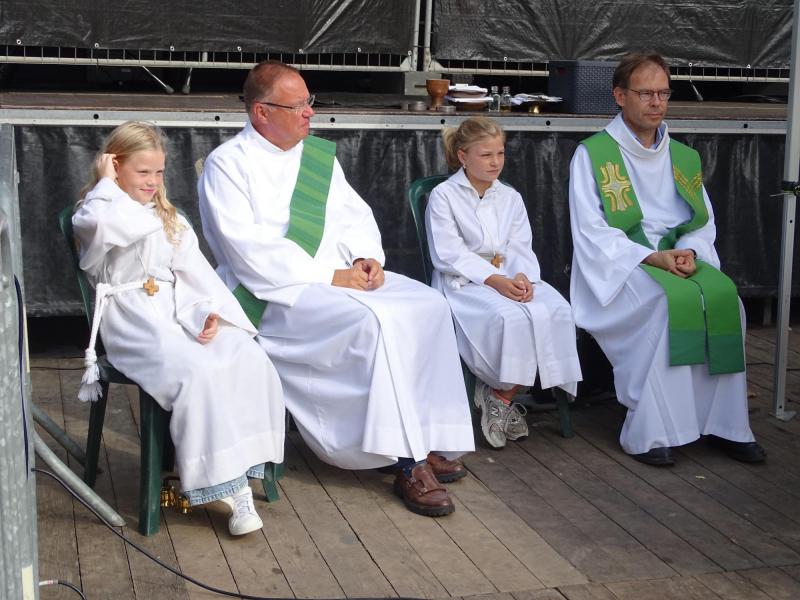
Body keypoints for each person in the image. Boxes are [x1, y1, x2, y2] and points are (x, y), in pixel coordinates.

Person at [198, 61, 474, 517]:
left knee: (429, 305)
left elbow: (353, 216)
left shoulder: (317, 156)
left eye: (311, 101)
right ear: (262, 112)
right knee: (376, 321)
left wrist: (366, 260)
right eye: (300, 105)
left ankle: (427, 436)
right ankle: (405, 460)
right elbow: (247, 251)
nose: (311, 113)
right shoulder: (228, 165)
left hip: (335, 278)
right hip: (274, 295)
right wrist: (331, 277)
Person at [73, 121, 286, 536]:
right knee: (197, 372)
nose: (153, 182)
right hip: (133, 322)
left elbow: (194, 275)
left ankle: (242, 469)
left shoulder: (168, 217)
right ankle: (225, 487)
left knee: (247, 356)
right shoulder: (95, 210)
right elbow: (104, 226)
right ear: (114, 167)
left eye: (159, 172)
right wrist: (106, 184)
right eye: (142, 172)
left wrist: (206, 313)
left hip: (175, 312)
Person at [568, 51, 766, 466]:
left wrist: (691, 251)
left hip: (678, 257)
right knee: (666, 307)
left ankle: (726, 425)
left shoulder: (683, 156)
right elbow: (592, 231)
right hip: (625, 266)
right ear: (620, 96)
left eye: (663, 93)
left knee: (726, 299)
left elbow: (700, 219)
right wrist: (652, 257)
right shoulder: (594, 155)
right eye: (646, 93)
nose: (657, 102)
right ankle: (652, 431)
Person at [426, 117, 582, 448]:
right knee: (508, 318)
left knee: (555, 309)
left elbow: (519, 245)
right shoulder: (444, 196)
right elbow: (449, 253)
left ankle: (500, 396)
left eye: (500, 153)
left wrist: (523, 277)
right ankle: (499, 392)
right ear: (463, 156)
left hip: (509, 276)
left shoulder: (509, 196)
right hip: (464, 285)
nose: (496, 162)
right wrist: (495, 281)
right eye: (486, 155)